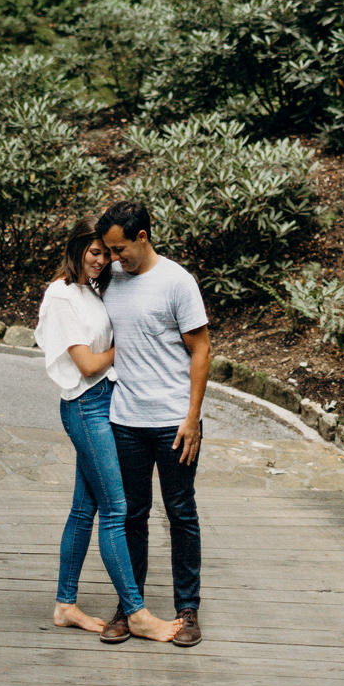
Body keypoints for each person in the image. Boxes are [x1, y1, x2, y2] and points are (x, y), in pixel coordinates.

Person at [33, 218, 183, 644]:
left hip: (106, 402)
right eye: (95, 252)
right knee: (116, 509)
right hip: (86, 406)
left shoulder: (91, 289)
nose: (103, 261)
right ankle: (136, 613)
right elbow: (87, 365)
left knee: (85, 509)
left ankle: (65, 605)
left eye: (108, 253)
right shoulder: (62, 295)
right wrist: (128, 346)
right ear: (76, 249)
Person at [95, 199, 211, 649]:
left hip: (173, 422)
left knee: (181, 513)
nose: (114, 257)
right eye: (109, 250)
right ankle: (131, 606)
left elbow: (201, 350)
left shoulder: (177, 282)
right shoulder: (111, 279)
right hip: (125, 420)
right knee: (131, 515)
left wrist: (192, 418)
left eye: (120, 248)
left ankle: (187, 608)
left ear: (142, 237)